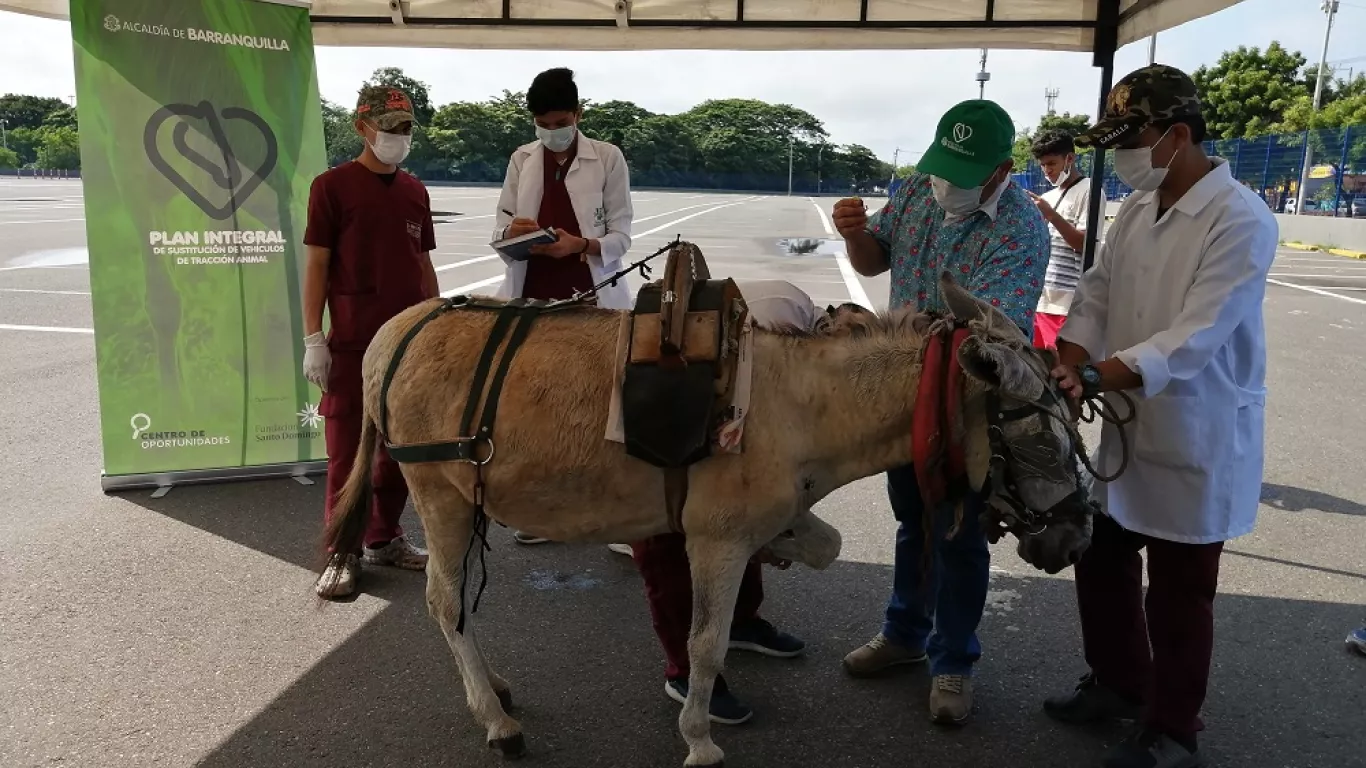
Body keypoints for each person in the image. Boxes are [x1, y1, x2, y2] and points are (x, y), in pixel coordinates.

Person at [1044, 64, 1277, 768]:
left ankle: (1174, 727)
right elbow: (1095, 293)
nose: (1119, 160)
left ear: (1178, 134)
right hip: (1125, 424)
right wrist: (1068, 355)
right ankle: (1118, 681)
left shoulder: (1240, 220)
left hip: (1193, 431)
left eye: (1129, 141)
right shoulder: (1136, 211)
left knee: (1180, 596)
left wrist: (1090, 374)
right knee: (1101, 558)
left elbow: (1194, 338)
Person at [830, 100, 1050, 725]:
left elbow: (986, 334)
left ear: (1002, 169)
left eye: (962, 171)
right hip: (908, 394)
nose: (944, 183)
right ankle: (903, 632)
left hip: (967, 399)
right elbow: (876, 258)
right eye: (940, 166)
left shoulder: (1021, 226)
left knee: (958, 530)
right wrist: (853, 234)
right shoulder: (916, 194)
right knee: (912, 518)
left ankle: (953, 659)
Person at [632, 279, 826, 725]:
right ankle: (683, 671)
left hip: (734, 380)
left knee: (745, 505)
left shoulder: (799, 329)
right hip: (675, 420)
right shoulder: (688, 361)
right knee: (666, 544)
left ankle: (740, 620)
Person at [491, 67, 635, 553]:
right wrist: (514, 234)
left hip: (593, 296)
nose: (551, 131)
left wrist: (581, 244)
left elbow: (621, 237)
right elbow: (502, 226)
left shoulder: (608, 159)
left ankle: (619, 521)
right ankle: (546, 514)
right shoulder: (521, 159)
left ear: (578, 114)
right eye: (542, 122)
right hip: (535, 299)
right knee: (542, 409)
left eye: (560, 120)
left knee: (605, 408)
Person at [305, 85, 437, 599]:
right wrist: (313, 336)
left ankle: (385, 537)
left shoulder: (414, 190)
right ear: (362, 128)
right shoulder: (332, 187)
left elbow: (423, 264)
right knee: (347, 454)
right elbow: (316, 263)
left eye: (406, 128)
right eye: (389, 127)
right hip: (354, 344)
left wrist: (436, 323)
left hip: (408, 344)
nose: (399, 137)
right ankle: (343, 551)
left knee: (401, 450)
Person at [1024, 129, 1091, 349]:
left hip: (1067, 302)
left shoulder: (1088, 190)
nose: (1047, 171)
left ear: (1069, 158)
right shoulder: (1048, 197)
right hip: (1041, 298)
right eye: (1043, 165)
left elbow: (1083, 243)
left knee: (1059, 368)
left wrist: (1051, 214)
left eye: (1051, 163)